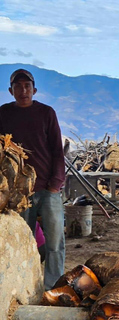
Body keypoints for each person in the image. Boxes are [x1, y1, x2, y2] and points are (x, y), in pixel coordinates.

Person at [0, 69, 65, 290]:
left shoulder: (46, 113)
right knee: (22, 241)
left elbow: (58, 149)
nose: (23, 90)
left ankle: (54, 287)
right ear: (11, 91)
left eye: (27, 86)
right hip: (18, 192)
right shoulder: (4, 114)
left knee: (55, 241)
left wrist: (55, 184)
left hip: (48, 189)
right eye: (17, 86)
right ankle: (25, 286)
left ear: (34, 90)